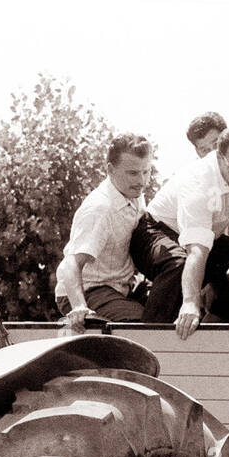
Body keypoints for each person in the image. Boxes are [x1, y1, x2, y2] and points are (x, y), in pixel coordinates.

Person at [145, 125, 229, 338]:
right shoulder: (199, 182)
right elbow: (197, 252)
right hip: (155, 232)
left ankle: (219, 325)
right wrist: (190, 303)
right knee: (178, 263)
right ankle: (150, 335)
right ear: (220, 157)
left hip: (206, 238)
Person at [56, 133, 185, 327]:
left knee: (172, 303)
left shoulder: (134, 194)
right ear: (110, 170)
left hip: (120, 287)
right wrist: (79, 307)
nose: (141, 180)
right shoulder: (100, 208)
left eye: (146, 172)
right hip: (87, 290)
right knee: (140, 326)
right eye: (133, 173)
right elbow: (71, 262)